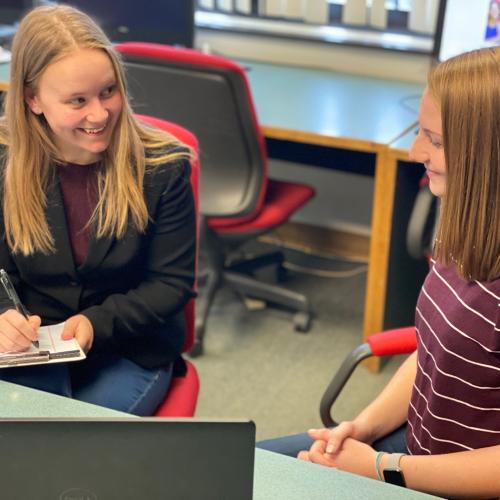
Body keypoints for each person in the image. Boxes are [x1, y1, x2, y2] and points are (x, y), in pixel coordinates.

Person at [258, 46, 500, 498]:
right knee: (246, 466)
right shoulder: (467, 230)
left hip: (451, 483)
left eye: (436, 139)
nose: (414, 151)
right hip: (411, 455)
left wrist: (383, 469)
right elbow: (431, 353)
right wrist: (364, 428)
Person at [0, 5, 196, 415]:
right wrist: (3, 316)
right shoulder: (6, 164)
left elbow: (170, 285)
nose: (100, 113)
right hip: (34, 348)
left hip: (129, 347)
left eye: (108, 91)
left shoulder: (162, 168)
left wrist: (94, 324)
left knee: (77, 449)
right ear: (33, 99)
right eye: (77, 100)